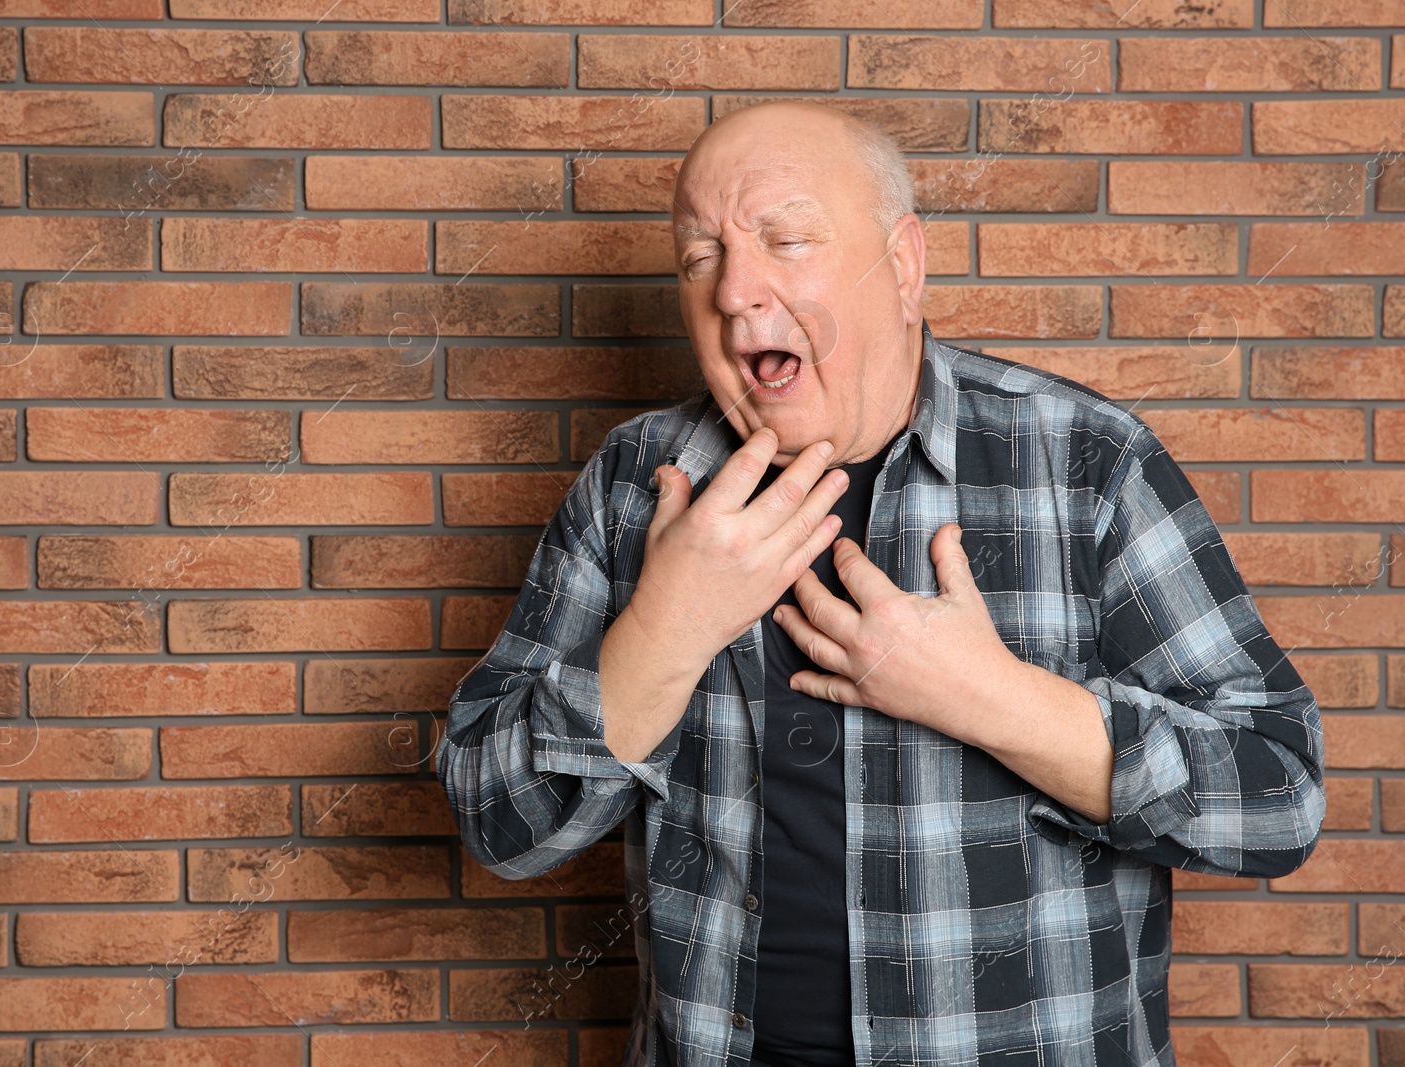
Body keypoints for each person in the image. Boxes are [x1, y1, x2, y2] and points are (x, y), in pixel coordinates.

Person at [435, 100, 1325, 1067]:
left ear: (902, 265)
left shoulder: (1085, 464)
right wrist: (667, 626)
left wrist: (997, 701)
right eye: (700, 259)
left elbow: (1279, 795)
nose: (735, 291)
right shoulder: (632, 485)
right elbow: (501, 826)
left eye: (788, 240)